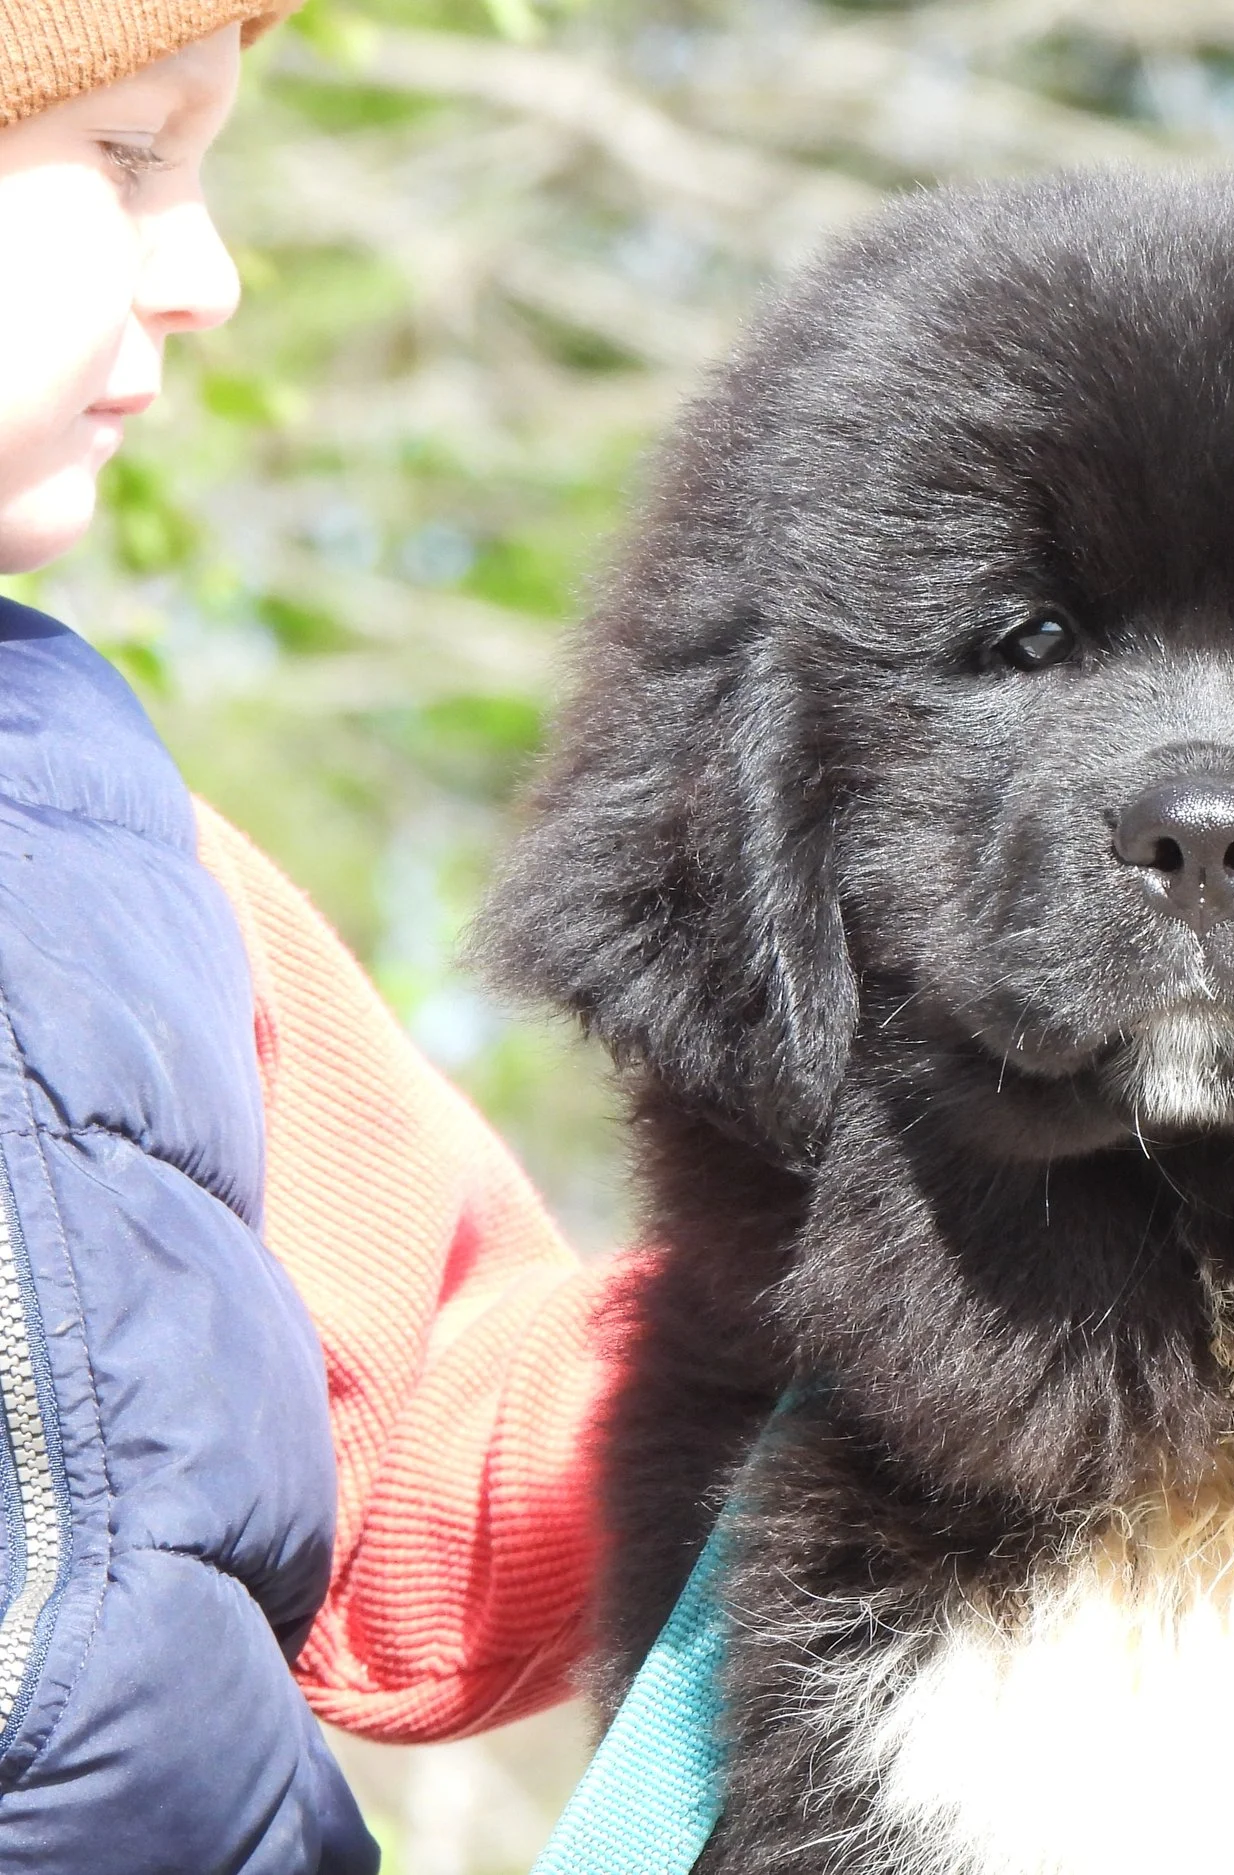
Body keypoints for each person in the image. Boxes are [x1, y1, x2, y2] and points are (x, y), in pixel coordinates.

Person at [0, 5, 624, 1865]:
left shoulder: (108, 846)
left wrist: (864, 1295)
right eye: (126, 157)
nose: (209, 277)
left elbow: (424, 1458)